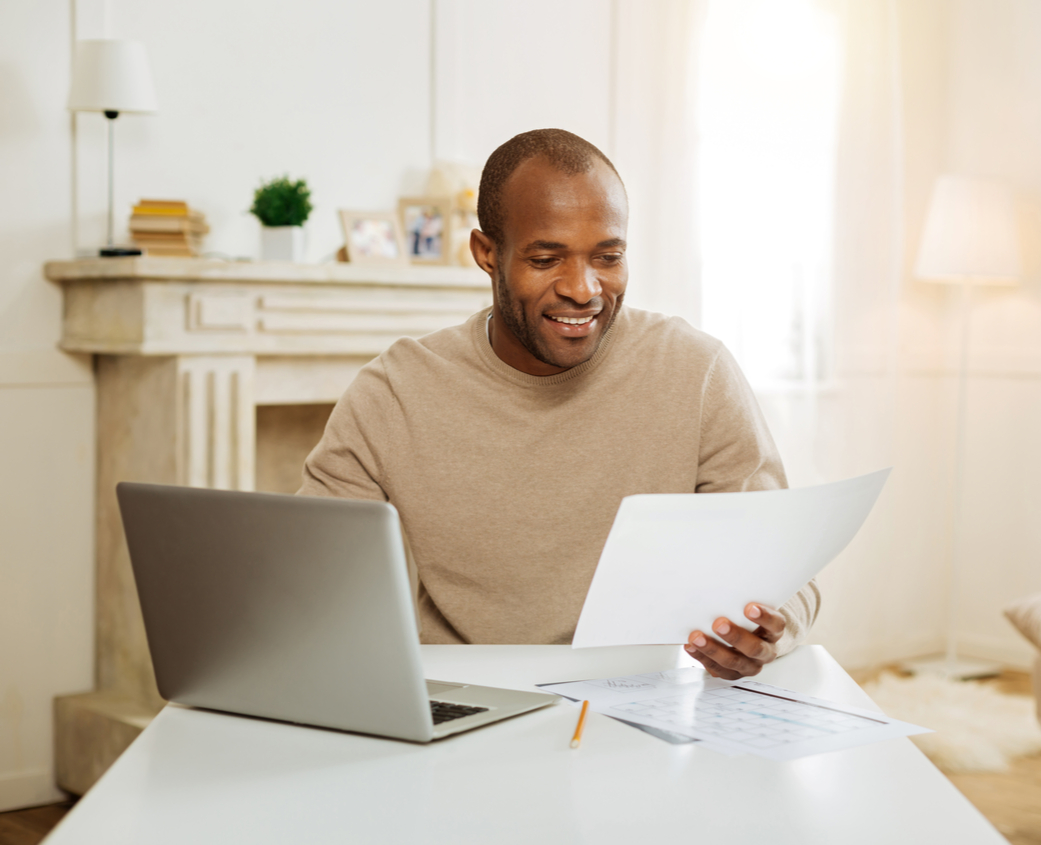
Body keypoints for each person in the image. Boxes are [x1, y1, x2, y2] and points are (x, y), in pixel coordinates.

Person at [299, 129, 819, 680]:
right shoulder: (394, 392)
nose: (583, 288)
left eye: (608, 257)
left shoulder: (696, 371)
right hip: (468, 696)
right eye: (547, 259)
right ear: (486, 254)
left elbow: (787, 577)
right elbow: (306, 577)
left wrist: (764, 633)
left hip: (648, 696)